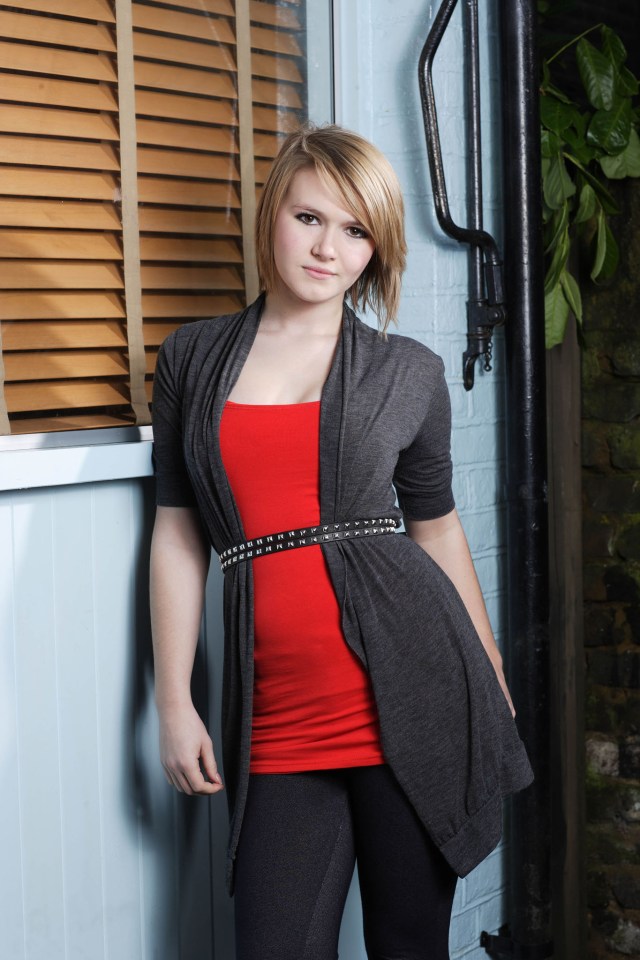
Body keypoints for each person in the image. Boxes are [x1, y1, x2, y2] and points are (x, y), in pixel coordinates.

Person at [150, 123, 533, 960]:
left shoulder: (409, 372)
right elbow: (178, 534)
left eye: (357, 230)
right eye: (311, 218)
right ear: (272, 215)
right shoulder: (191, 359)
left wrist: (491, 665)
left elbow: (435, 527)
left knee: (408, 947)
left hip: (414, 698)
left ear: (378, 248)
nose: (329, 248)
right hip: (280, 721)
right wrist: (174, 702)